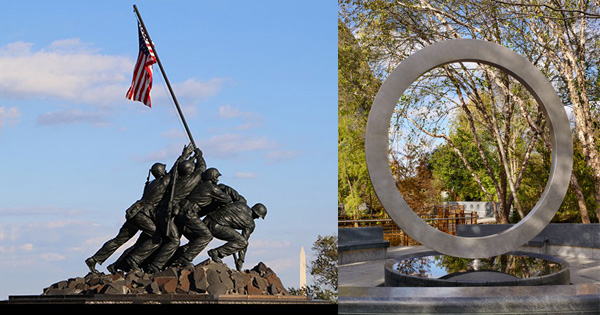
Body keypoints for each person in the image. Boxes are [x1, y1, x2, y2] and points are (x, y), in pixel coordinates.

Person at [84, 145, 193, 274]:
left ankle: (94, 259)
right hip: (143, 214)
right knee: (157, 237)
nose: (165, 171)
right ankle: (134, 261)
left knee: (119, 239)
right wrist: (184, 155)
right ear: (161, 172)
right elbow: (175, 171)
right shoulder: (163, 182)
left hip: (134, 212)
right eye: (164, 169)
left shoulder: (150, 184)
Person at [145, 146, 206, 273]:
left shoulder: (174, 181)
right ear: (190, 170)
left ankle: (159, 263)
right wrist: (199, 156)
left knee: (170, 239)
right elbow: (201, 168)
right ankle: (155, 266)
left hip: (164, 212)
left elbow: (176, 169)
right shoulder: (191, 180)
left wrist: (187, 157)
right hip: (169, 213)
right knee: (174, 240)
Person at [167, 168, 234, 267]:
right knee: (206, 236)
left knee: (195, 239)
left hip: (182, 212)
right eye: (217, 177)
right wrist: (224, 191)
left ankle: (173, 259)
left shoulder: (199, 186)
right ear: (212, 177)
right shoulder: (212, 188)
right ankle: (184, 259)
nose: (217, 180)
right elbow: (227, 199)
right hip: (189, 213)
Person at [204, 202, 267, 271]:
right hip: (217, 226)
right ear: (256, 214)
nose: (257, 218)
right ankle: (216, 252)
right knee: (242, 242)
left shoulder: (240, 204)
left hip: (208, 219)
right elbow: (243, 243)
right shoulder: (250, 224)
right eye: (258, 216)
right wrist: (241, 260)